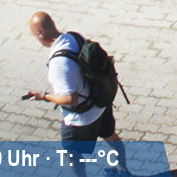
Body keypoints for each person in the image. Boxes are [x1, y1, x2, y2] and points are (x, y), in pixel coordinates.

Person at [23, 11, 125, 149]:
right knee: (111, 137)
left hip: (82, 119)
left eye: (34, 34)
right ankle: (122, 164)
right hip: (101, 102)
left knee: (71, 153)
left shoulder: (58, 63)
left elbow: (71, 99)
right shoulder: (74, 37)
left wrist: (44, 96)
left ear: (40, 33)